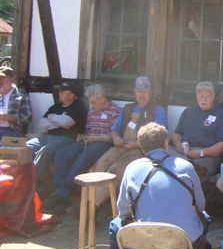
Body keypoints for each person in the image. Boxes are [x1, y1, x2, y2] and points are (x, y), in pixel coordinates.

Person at [107, 123, 219, 249]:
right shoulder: (185, 166)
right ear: (166, 142)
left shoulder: (132, 169)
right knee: (205, 217)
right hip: (183, 248)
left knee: (116, 225)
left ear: (141, 145)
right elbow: (201, 206)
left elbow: (123, 211)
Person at [43, 84, 120, 214]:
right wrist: (82, 136)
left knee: (84, 157)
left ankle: (62, 194)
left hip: (102, 143)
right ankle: (59, 192)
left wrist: (93, 138)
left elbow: (112, 137)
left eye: (93, 102)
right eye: (90, 102)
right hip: (86, 141)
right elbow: (87, 129)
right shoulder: (92, 110)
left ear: (102, 99)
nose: (91, 105)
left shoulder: (115, 111)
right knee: (62, 154)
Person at [92, 75, 167, 206]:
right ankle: (88, 201)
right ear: (134, 93)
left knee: (116, 170)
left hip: (140, 149)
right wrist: (116, 138)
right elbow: (115, 130)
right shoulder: (127, 109)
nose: (141, 95)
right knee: (100, 165)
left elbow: (160, 138)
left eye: (145, 92)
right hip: (120, 145)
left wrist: (136, 144)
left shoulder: (158, 110)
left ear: (151, 93)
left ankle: (94, 206)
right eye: (139, 92)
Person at [27, 81, 88, 194]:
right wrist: (58, 120)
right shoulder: (56, 106)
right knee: (27, 147)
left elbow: (66, 123)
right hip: (47, 136)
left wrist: (52, 119)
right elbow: (42, 124)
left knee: (45, 151)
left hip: (67, 138)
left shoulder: (78, 107)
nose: (59, 93)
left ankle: (30, 183)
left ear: (71, 94)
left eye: (62, 91)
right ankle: (17, 177)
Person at [171, 81, 223, 182]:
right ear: (196, 96)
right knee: (165, 151)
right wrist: (178, 146)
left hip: (206, 156)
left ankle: (192, 169)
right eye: (200, 96)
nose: (203, 100)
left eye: (206, 96)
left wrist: (201, 153)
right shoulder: (188, 112)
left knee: (190, 172)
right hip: (183, 152)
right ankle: (188, 165)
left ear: (213, 96)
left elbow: (222, 146)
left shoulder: (221, 116)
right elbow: (177, 134)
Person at [0, 65, 32, 138]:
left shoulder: (20, 95)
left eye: (3, 78)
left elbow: (27, 117)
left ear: (11, 79)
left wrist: (6, 117)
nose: (0, 81)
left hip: (11, 130)